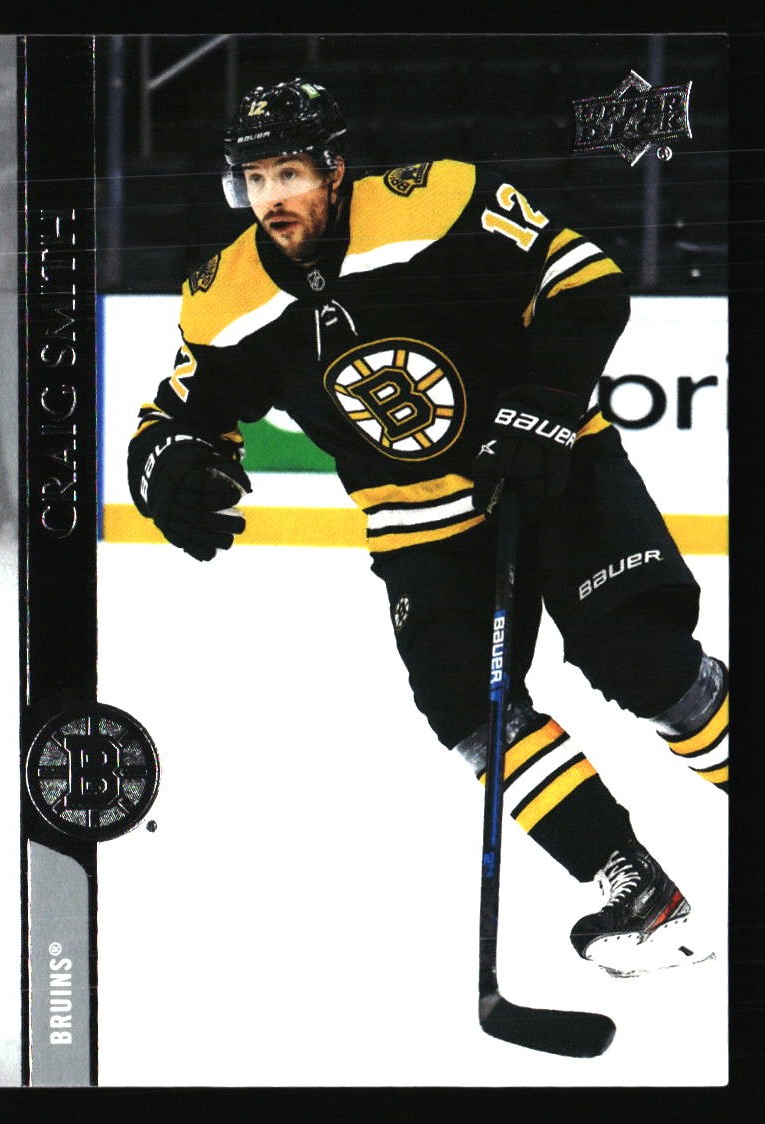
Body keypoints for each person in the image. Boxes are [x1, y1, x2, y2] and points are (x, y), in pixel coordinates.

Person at [127, 78, 728, 977]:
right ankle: (640, 892)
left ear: (335, 167)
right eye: (253, 179)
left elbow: (583, 277)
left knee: (640, 661)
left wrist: (546, 404)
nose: (271, 198)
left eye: (289, 173)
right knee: (467, 706)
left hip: (554, 467)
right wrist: (171, 470)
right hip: (420, 525)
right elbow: (174, 416)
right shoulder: (225, 297)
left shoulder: (439, 200)